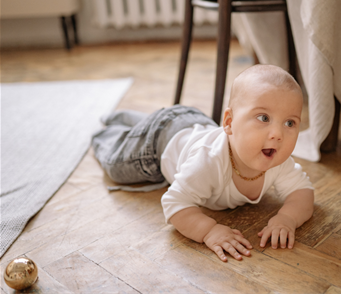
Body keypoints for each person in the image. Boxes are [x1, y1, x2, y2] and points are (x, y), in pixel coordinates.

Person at [92, 64, 314, 262]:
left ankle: (133, 120)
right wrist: (209, 231)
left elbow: (303, 192)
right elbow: (174, 203)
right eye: (263, 118)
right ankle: (107, 132)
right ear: (229, 123)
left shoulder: (278, 160)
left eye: (289, 122)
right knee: (116, 165)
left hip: (192, 123)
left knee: (141, 130)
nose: (277, 134)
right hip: (159, 142)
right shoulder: (208, 162)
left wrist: (286, 219)